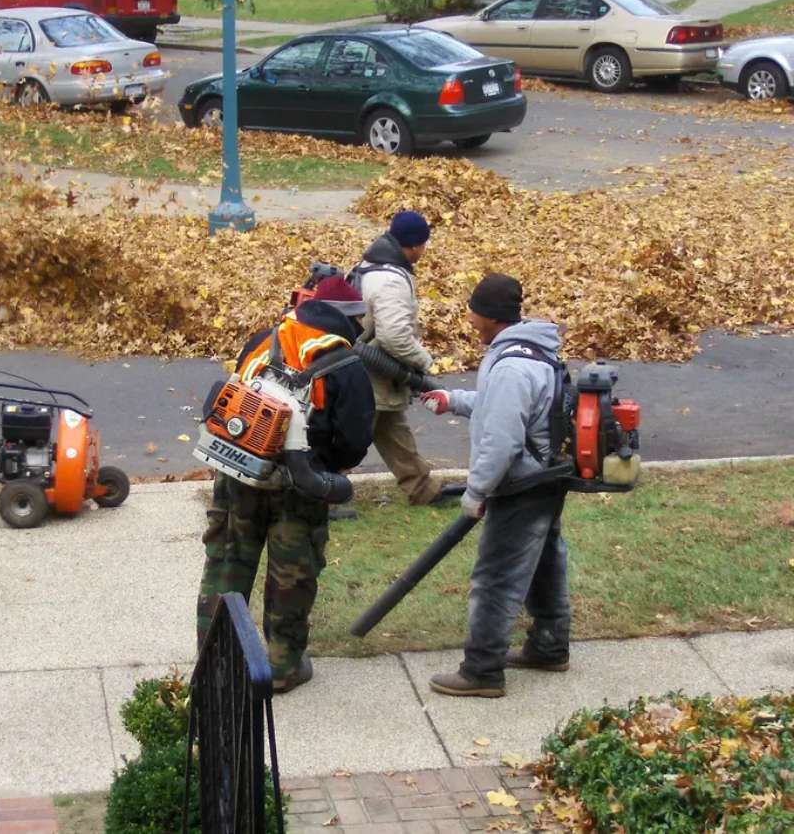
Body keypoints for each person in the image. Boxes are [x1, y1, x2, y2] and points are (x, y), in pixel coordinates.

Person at [197, 278, 375, 694]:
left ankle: (216, 663)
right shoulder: (346, 366)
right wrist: (329, 470)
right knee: (291, 575)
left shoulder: (264, 340)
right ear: (349, 321)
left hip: (237, 473)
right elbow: (353, 441)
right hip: (302, 486)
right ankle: (282, 666)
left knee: (226, 565)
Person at [418, 273, 571, 698]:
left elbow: (502, 441)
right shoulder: (531, 354)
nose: (468, 318)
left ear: (486, 315)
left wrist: (476, 492)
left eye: (471, 309)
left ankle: (482, 670)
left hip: (520, 484)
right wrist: (453, 400)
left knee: (496, 577)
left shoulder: (511, 367)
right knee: (544, 562)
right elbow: (503, 410)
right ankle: (549, 645)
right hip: (544, 478)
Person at [352, 210, 458, 507]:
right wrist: (423, 362)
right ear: (413, 245)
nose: (425, 249)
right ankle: (320, 495)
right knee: (349, 438)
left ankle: (422, 488)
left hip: (371, 369)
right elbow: (394, 336)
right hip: (370, 370)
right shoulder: (390, 281)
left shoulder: (374, 264)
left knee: (391, 428)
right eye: (424, 243)